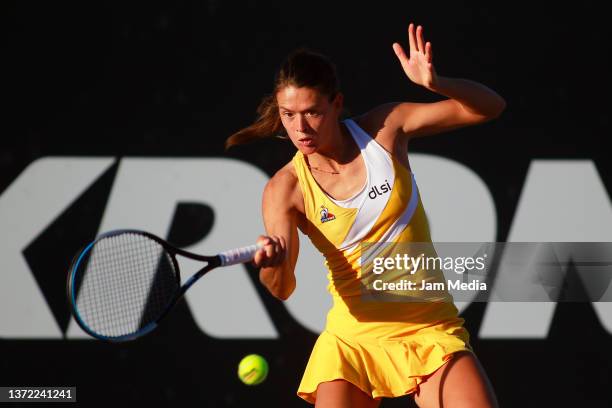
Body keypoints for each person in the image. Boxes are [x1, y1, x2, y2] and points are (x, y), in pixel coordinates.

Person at [227, 23, 504, 408]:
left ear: (336, 104)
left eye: (312, 112)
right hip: (353, 341)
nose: (300, 127)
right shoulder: (284, 189)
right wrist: (272, 264)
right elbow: (282, 287)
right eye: (288, 114)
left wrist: (437, 82)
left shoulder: (385, 130)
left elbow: (490, 108)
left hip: (430, 328)